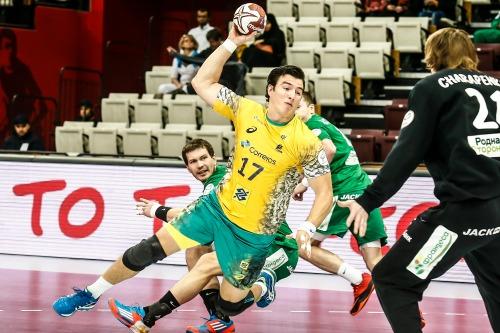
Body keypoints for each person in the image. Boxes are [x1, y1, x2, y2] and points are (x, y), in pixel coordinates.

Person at [52, 23, 333, 333]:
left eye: (298, 89)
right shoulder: (246, 110)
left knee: (229, 305)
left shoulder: (306, 141)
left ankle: (263, 285)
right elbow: (202, 81)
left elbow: (324, 193)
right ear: (270, 89)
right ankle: (91, 294)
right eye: (287, 87)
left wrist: (308, 226)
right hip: (216, 208)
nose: (293, 94)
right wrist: (231, 42)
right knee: (150, 249)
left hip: (253, 233)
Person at [338, 28, 500, 333]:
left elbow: (406, 153)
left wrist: (368, 200)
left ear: (433, 54)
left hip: (464, 212)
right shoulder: (496, 86)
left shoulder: (432, 87)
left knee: (392, 279)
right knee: (496, 288)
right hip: (497, 212)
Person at [111, 138, 299, 332]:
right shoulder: (214, 183)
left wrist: (156, 210)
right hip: (248, 248)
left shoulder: (222, 179)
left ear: (215, 160)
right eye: (193, 162)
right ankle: (219, 320)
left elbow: (190, 216)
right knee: (196, 249)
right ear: (188, 168)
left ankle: (147, 315)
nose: (200, 165)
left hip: (277, 249)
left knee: (207, 263)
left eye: (203, 158)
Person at [292, 92, 386, 315]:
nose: (293, 112)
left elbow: (329, 150)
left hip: (342, 195)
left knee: (303, 245)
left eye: (298, 107)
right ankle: (406, 305)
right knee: (375, 260)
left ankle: (358, 280)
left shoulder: (311, 126)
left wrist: (305, 182)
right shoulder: (324, 124)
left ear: (311, 109)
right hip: (364, 192)